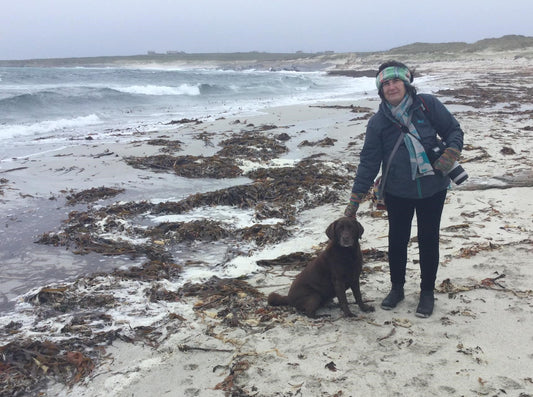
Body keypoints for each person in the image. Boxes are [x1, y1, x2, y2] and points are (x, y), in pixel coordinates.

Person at [344, 60, 464, 318]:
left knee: (429, 238)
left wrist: (451, 154)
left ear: (406, 82)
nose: (391, 87)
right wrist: (353, 204)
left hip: (433, 187)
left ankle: (427, 293)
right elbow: (368, 163)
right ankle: (397, 288)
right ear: (380, 90)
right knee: (397, 240)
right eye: (385, 83)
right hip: (397, 191)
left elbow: (454, 130)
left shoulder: (428, 105)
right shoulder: (378, 122)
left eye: (395, 81)